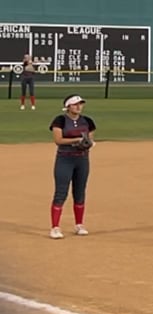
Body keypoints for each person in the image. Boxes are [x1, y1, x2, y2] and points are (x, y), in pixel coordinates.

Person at [50, 94, 97, 240]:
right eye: (75, 104)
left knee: (80, 192)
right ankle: (55, 227)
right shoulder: (60, 120)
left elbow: (90, 139)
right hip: (65, 160)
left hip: (82, 160)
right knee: (61, 192)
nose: (79, 107)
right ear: (68, 106)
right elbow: (58, 140)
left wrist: (87, 143)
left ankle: (79, 225)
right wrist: (77, 139)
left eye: (80, 104)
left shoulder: (88, 121)